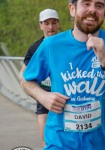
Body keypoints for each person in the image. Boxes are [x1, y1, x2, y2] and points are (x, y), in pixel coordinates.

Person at [20, 0, 105, 149]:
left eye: (99, 5)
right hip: (59, 144)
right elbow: (26, 80)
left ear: (104, 13)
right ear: (72, 9)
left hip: (100, 145)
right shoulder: (51, 45)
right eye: (86, 4)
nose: (93, 10)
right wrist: (43, 96)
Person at [20, 8, 60, 147]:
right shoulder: (34, 48)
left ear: (58, 24)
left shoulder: (67, 43)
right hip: (44, 99)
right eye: (46, 23)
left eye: (54, 23)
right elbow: (23, 76)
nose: (50, 27)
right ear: (40, 25)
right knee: (45, 139)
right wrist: (38, 94)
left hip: (65, 98)